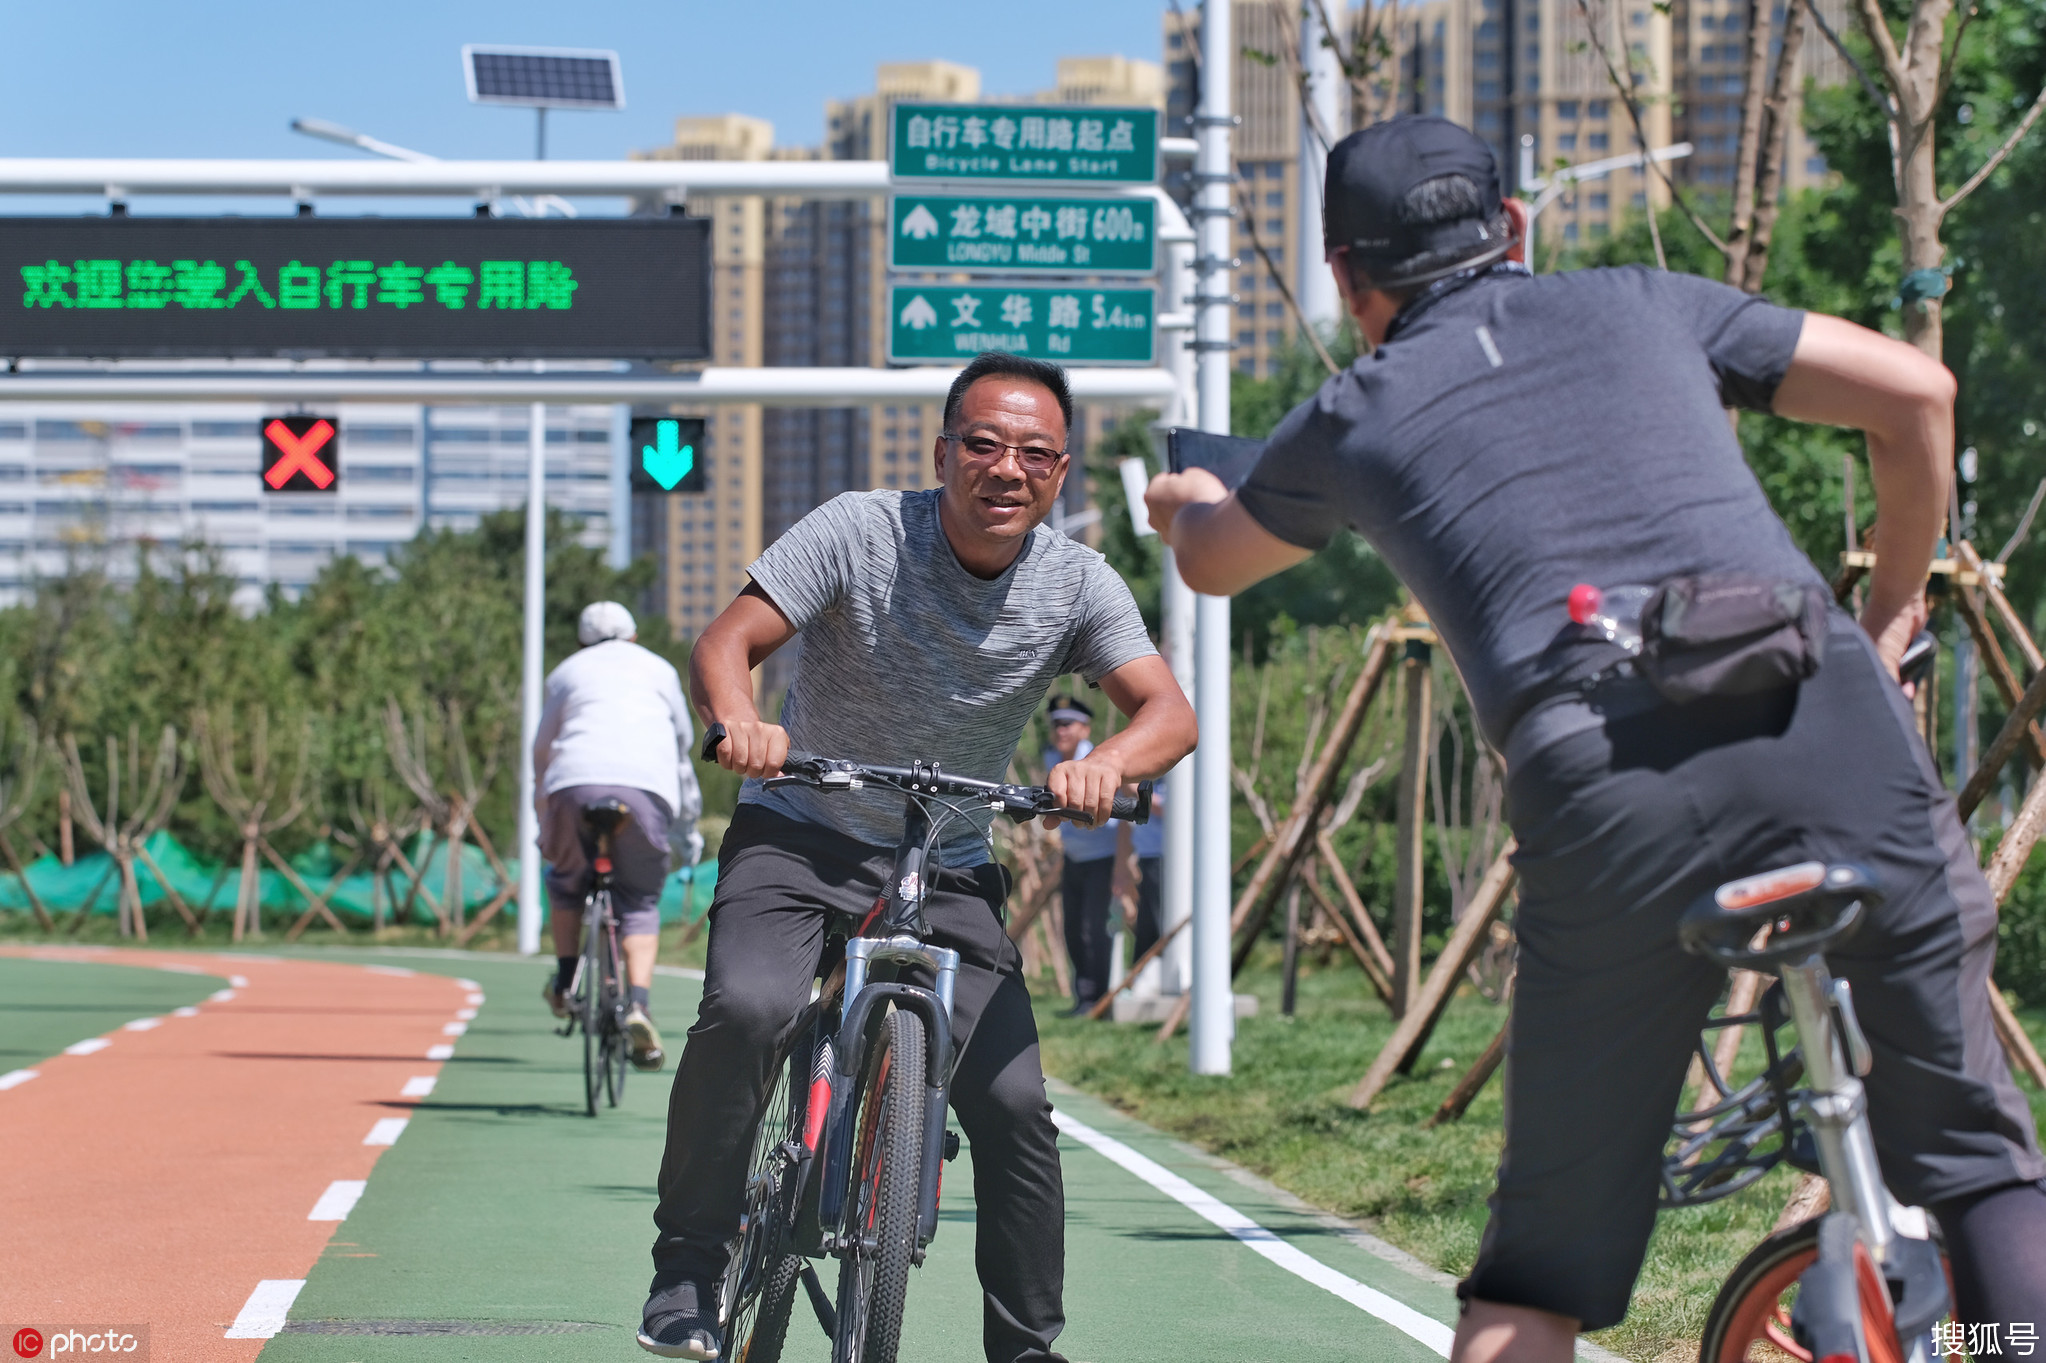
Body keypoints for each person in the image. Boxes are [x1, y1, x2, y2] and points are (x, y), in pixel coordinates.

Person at [1146, 115, 2045, 1358]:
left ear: (1349, 281)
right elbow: (1918, 393)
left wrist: (1186, 496)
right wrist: (1889, 619)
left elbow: (1212, 563)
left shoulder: (1348, 417)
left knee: (1542, 1268)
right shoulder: (1646, 300)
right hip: (1823, 710)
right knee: (1975, 1154)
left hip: (1605, 781)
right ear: (1515, 229)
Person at [639, 351, 1197, 1361]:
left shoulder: (1077, 584)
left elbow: (1168, 712)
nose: (1005, 468)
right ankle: (687, 1267)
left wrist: (1104, 764)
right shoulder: (859, 531)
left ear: (1061, 474)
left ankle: (1026, 1345)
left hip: (947, 859)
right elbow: (728, 642)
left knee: (1018, 1103)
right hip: (801, 836)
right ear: (943, 453)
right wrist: (740, 720)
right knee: (751, 1010)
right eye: (982, 444)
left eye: (1034, 453)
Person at [533, 601, 703, 1073]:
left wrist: (545, 822)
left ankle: (567, 982)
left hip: (573, 783)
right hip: (644, 788)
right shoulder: (659, 669)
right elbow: (680, 750)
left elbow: (543, 751)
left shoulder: (566, 671)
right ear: (632, 636)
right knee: (640, 903)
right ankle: (639, 1006)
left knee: (566, 882)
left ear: (582, 642)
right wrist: (687, 834)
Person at [1044, 693, 1119, 1014]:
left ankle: (1097, 999)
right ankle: (1083, 998)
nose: (1061, 731)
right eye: (1056, 726)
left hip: (1103, 857)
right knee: (1072, 928)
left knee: (1095, 928)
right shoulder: (1052, 761)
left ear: (1085, 729)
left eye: (1068, 724)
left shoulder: (1097, 763)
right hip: (1073, 858)